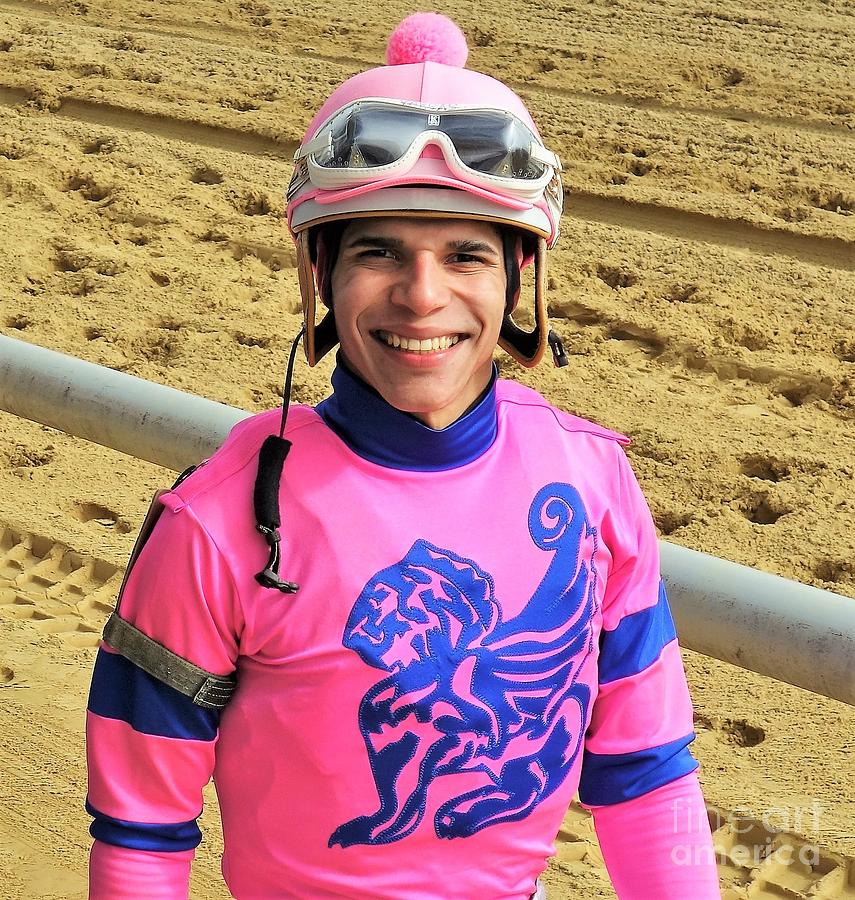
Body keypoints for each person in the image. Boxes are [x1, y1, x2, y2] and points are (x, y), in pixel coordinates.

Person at [85, 13, 721, 899]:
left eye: (466, 255)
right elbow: (141, 834)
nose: (423, 297)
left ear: (519, 278)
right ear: (319, 275)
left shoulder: (593, 478)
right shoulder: (216, 517)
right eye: (378, 251)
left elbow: (645, 772)